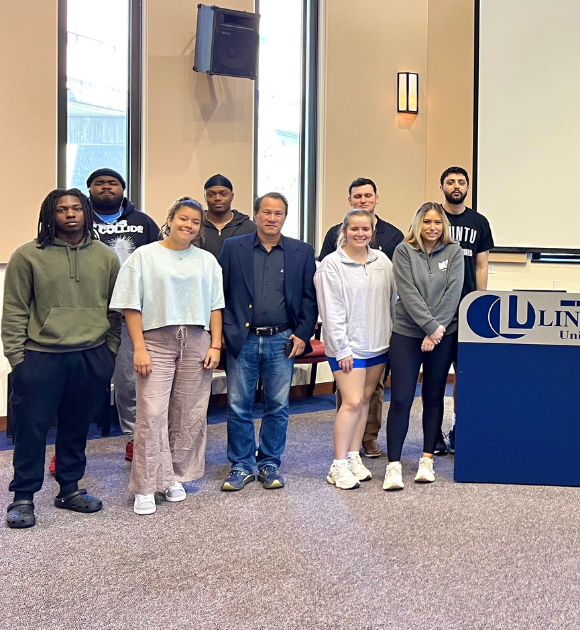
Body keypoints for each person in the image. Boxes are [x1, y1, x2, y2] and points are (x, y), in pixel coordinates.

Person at [3, 189, 121, 529]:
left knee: (76, 427)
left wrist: (108, 352)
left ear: (86, 212)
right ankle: (23, 497)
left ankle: (69, 489)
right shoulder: (28, 256)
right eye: (61, 210)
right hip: (41, 357)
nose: (70, 214)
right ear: (49, 215)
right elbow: (13, 310)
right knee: (31, 429)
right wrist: (18, 358)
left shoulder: (105, 257)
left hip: (91, 355)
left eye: (75, 208)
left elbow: (115, 311)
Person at [110, 197, 224, 516]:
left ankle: (174, 476)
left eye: (195, 222)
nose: (188, 225)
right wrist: (140, 348)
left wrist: (215, 345)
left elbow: (216, 305)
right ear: (170, 218)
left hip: (197, 340)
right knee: (151, 412)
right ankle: (146, 485)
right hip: (155, 340)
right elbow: (131, 305)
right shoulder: (145, 256)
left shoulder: (206, 261)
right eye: (183, 219)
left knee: (188, 412)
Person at [217, 192, 318, 491]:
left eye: (279, 214)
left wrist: (302, 333)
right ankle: (241, 464)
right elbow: (221, 292)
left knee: (277, 404)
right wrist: (223, 330)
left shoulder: (302, 250)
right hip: (243, 339)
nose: (272, 218)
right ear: (256, 214)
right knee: (238, 404)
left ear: (285, 217)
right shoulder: (234, 248)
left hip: (283, 339)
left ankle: (270, 462)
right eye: (267, 212)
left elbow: (309, 299)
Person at [319, 178, 405, 459]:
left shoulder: (383, 260)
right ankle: (339, 463)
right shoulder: (332, 264)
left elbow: (393, 300)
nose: (360, 233)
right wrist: (341, 347)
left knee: (366, 400)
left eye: (365, 229)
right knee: (352, 401)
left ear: (373, 231)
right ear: (344, 231)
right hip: (348, 348)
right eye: (354, 229)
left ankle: (355, 456)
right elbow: (331, 310)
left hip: (377, 345)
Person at [388, 203, 465, 486]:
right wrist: (430, 328)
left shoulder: (455, 252)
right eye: (427, 222)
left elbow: (453, 293)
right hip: (408, 333)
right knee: (400, 398)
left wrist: (436, 332)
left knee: (433, 398)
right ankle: (394, 465)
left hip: (443, 335)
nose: (432, 227)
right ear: (418, 224)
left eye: (438, 222)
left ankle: (427, 459)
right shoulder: (403, 251)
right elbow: (407, 293)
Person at [88, 168, 160, 462]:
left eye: (113, 183)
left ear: (123, 188)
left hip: (131, 314)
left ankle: (133, 438)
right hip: (90, 314)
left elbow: (160, 260)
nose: (106, 187)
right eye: (99, 183)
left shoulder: (142, 222)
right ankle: (72, 445)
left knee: (130, 382)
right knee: (82, 383)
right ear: (89, 188)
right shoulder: (79, 219)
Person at [439, 166, 495, 455]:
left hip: (465, 311)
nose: (456, 186)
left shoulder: (479, 222)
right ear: (442, 187)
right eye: (451, 182)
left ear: (468, 187)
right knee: (435, 374)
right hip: (436, 312)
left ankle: (459, 427)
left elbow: (482, 265)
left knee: (465, 373)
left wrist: (479, 304)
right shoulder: (432, 218)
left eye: (461, 182)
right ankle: (432, 431)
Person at [198, 174, 256, 259]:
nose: (217, 198)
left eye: (223, 194)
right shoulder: (196, 226)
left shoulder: (250, 228)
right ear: (205, 197)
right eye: (211, 194)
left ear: (232, 196)